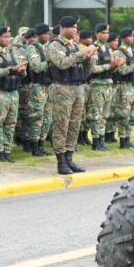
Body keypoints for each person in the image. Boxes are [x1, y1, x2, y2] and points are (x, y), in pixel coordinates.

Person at [46, 16, 94, 174]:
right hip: (62, 88)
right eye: (72, 27)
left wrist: (89, 56)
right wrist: (81, 53)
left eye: (76, 28)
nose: (75, 30)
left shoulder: (75, 45)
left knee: (74, 125)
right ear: (63, 28)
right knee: (62, 125)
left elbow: (89, 69)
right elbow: (62, 63)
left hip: (77, 88)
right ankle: (61, 161)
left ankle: (69, 158)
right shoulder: (55, 46)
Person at [0, 26, 26, 163]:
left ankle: (7, 150)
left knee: (10, 123)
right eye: (5, 37)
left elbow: (21, 70)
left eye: (9, 37)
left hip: (13, 92)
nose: (7, 39)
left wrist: (21, 71)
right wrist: (10, 70)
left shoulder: (12, 52)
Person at [86, 23, 125, 151]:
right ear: (97, 34)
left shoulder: (107, 49)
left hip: (108, 84)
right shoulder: (93, 48)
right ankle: (96, 141)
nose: (105, 35)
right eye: (103, 33)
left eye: (107, 33)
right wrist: (110, 66)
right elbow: (91, 69)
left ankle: (101, 140)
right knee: (96, 115)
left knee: (104, 115)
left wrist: (116, 66)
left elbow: (111, 68)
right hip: (97, 85)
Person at [112, 29, 134, 149]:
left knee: (133, 114)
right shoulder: (119, 53)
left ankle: (128, 137)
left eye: (133, 36)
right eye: (130, 36)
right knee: (124, 114)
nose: (132, 38)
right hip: (124, 86)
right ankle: (123, 139)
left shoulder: (133, 51)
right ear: (123, 38)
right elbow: (122, 71)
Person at [24, 23, 52, 156]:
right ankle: (34, 146)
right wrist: (50, 61)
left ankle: (41, 145)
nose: (47, 36)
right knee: (37, 117)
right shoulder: (32, 48)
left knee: (47, 118)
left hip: (48, 86)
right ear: (38, 35)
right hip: (37, 86)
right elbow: (36, 67)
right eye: (45, 34)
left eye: (48, 34)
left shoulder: (47, 48)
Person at [77, 29, 94, 147]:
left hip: (87, 83)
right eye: (89, 37)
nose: (91, 39)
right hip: (81, 83)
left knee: (86, 113)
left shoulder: (90, 49)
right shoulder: (80, 49)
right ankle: (79, 137)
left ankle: (83, 135)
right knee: (80, 113)